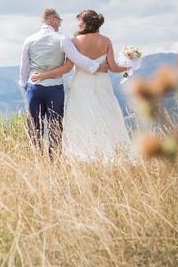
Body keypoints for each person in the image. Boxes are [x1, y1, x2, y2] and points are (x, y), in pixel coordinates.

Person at [30, 10, 133, 161]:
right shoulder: (106, 40)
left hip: (81, 83)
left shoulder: (75, 41)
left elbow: (68, 67)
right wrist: (130, 66)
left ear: (86, 23)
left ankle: (84, 153)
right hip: (102, 83)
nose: (78, 23)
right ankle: (112, 152)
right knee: (106, 115)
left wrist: (43, 75)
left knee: (80, 117)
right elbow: (113, 67)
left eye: (79, 20)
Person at [19, 8, 108, 157]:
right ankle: (55, 161)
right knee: (56, 127)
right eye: (59, 21)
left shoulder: (29, 39)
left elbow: (24, 67)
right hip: (54, 89)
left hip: (34, 88)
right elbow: (77, 59)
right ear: (52, 19)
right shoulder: (62, 38)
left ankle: (37, 161)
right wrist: (98, 66)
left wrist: (25, 86)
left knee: (34, 128)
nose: (60, 24)